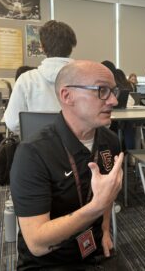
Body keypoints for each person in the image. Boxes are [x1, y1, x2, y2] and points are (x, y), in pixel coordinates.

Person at [10, 60, 129, 270]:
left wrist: (106, 230)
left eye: (113, 91)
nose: (113, 100)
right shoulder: (33, 153)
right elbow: (37, 244)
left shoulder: (110, 141)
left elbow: (106, 197)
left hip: (94, 248)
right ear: (67, 96)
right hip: (50, 259)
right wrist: (96, 207)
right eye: (101, 90)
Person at [4, 20, 77, 134]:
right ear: (72, 47)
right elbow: (100, 122)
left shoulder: (26, 80)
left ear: (42, 47)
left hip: (35, 148)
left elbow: (12, 123)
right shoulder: (87, 78)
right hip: (79, 147)